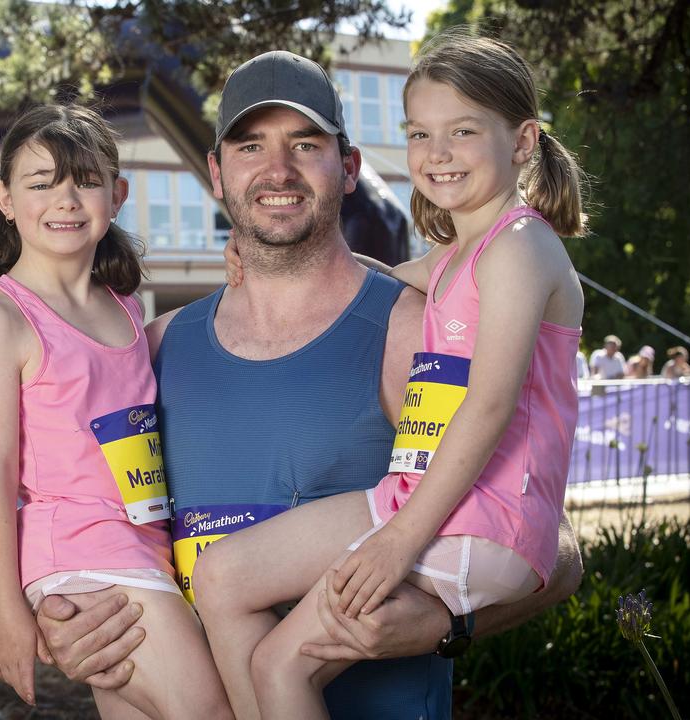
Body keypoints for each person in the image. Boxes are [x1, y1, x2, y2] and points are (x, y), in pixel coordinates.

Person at [36, 49, 582, 719]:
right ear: (215, 171)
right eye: (249, 146)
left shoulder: (412, 327)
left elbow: (548, 543)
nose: (277, 170)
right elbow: (78, 521)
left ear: (349, 167)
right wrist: (53, 617)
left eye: (305, 143)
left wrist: (448, 625)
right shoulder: (150, 352)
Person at [189, 34, 587, 718]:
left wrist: (397, 543)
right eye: (420, 133)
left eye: (463, 131)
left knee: (282, 665)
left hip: (473, 517)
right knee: (223, 579)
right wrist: (255, 263)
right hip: (423, 502)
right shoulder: (461, 255)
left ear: (523, 142)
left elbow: (489, 407)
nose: (437, 152)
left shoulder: (520, 247)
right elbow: (371, 277)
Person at [0, 104, 231, 719]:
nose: (66, 199)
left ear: (117, 194)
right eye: (42, 182)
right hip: (80, 557)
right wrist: (4, 615)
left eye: (85, 180)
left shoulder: (126, 308)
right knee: (214, 711)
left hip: (149, 547)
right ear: (3, 197)